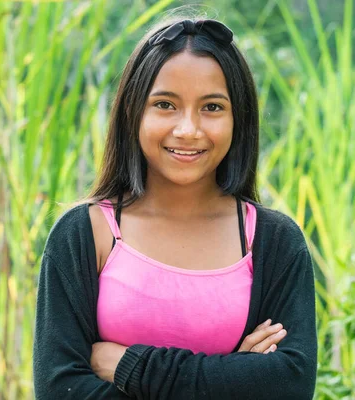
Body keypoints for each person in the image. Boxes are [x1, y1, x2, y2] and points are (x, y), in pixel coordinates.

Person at [33, 17, 317, 400]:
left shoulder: (274, 242)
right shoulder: (85, 233)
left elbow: (289, 383)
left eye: (212, 107)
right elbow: (58, 389)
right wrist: (232, 376)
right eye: (165, 104)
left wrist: (130, 367)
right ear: (133, 112)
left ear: (239, 118)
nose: (188, 130)